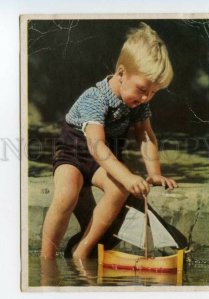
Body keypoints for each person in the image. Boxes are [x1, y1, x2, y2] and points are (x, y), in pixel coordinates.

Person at [41, 22, 178, 261]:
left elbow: (145, 135)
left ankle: (82, 251)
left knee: (119, 189)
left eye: (154, 93)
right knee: (66, 194)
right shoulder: (95, 99)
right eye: (143, 89)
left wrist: (153, 172)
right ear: (122, 73)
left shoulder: (137, 102)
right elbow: (96, 145)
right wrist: (126, 175)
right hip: (74, 154)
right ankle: (46, 258)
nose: (147, 97)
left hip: (104, 160)